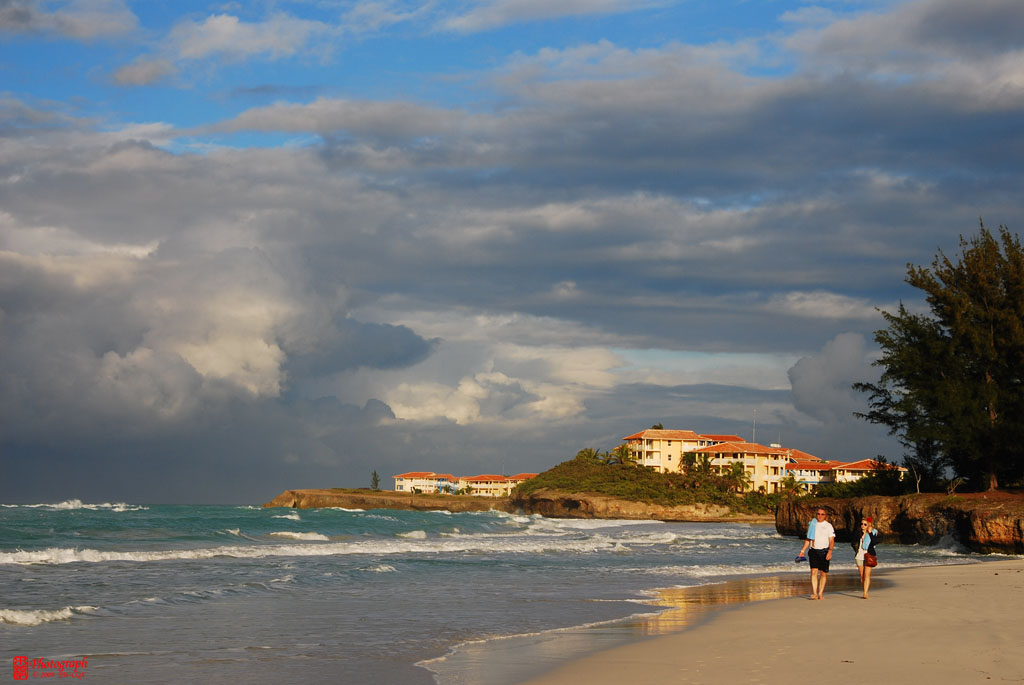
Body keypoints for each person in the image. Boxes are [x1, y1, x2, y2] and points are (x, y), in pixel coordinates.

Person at [796, 507, 835, 599]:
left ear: (825, 516)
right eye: (818, 514)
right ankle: (814, 593)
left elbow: (832, 540)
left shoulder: (828, 526)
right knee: (813, 572)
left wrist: (830, 551)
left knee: (823, 573)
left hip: (824, 551)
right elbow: (808, 539)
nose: (820, 516)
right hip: (813, 550)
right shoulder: (812, 524)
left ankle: (820, 593)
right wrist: (802, 551)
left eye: (822, 514)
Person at [853, 516, 879, 599]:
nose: (863, 526)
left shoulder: (872, 533)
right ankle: (865, 589)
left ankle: (865, 593)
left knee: (867, 575)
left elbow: (875, 542)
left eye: (865, 524)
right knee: (862, 576)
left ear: (869, 525)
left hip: (869, 555)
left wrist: (870, 533)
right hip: (859, 556)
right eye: (862, 524)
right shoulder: (858, 533)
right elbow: (853, 542)